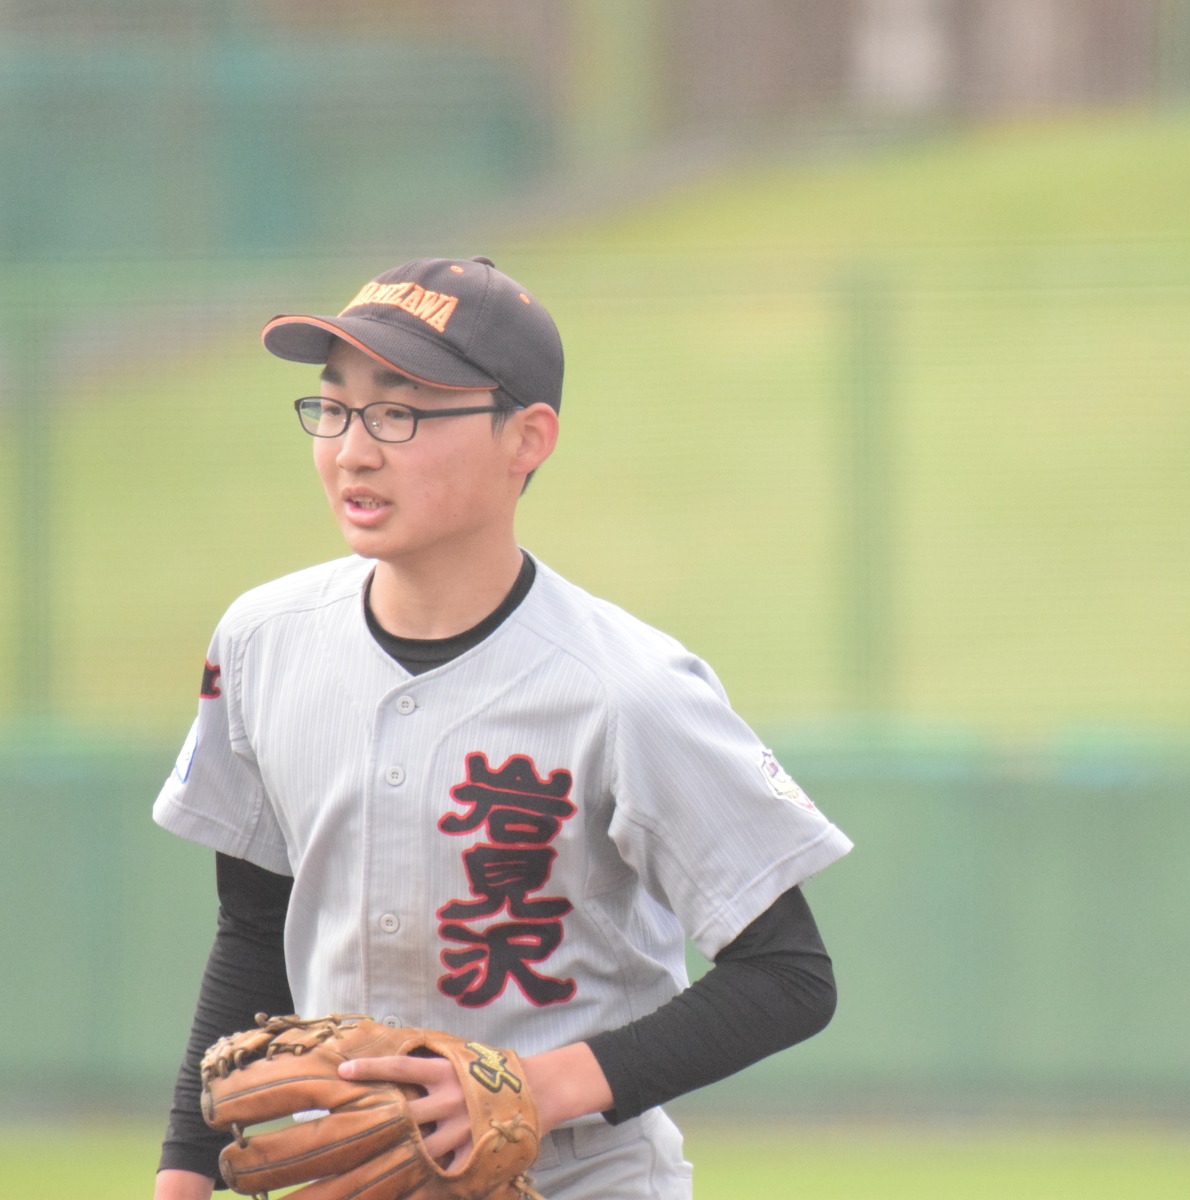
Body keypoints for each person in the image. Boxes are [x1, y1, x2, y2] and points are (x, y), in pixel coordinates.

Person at [150, 256, 852, 1199]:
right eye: (335, 407)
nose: (353, 450)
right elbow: (253, 929)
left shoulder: (629, 689)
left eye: (400, 413)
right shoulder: (261, 643)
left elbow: (788, 976)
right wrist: (183, 1180)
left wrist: (534, 1088)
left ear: (526, 438)